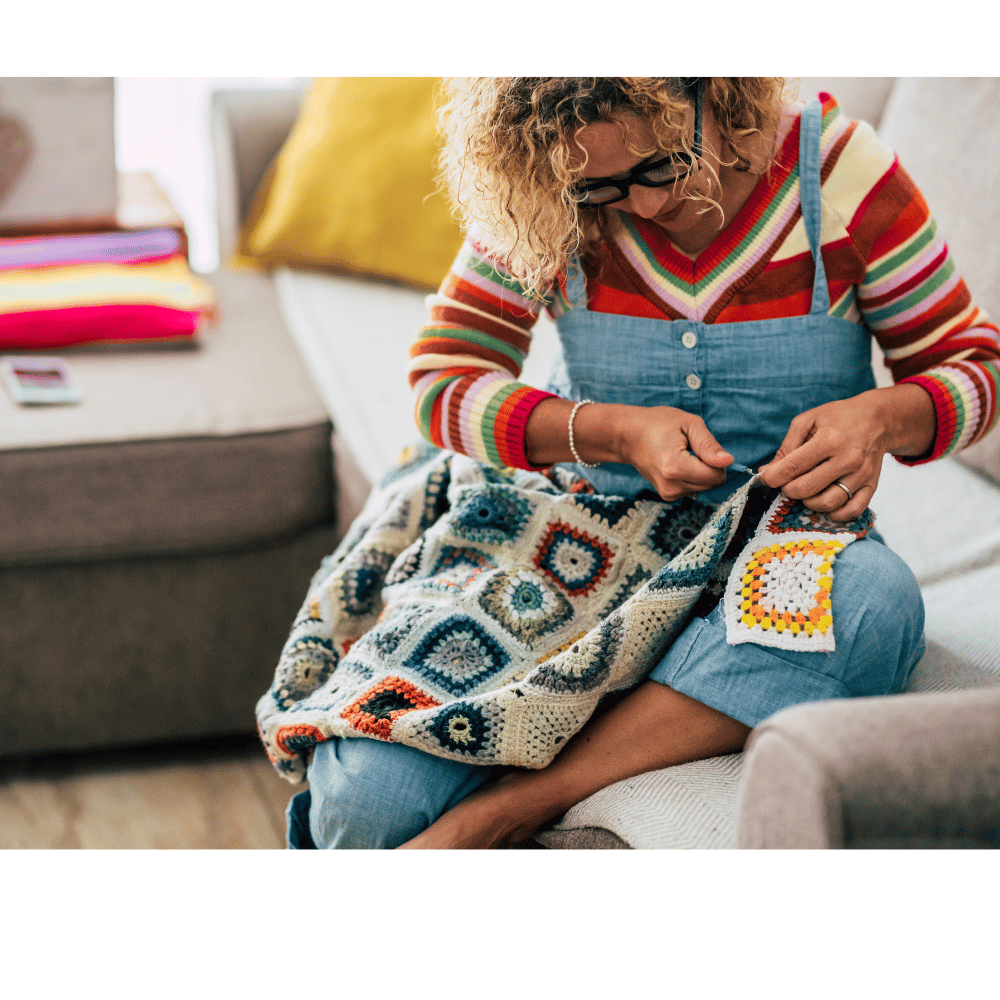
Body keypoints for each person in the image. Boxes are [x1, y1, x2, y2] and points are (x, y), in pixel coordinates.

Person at [258, 77, 1000, 850]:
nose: (643, 206)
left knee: (872, 606)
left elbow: (976, 368)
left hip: (785, 547)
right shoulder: (546, 183)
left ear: (716, 92)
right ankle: (662, 689)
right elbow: (444, 379)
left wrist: (880, 418)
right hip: (572, 547)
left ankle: (517, 803)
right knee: (364, 805)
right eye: (600, 187)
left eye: (664, 165)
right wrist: (613, 434)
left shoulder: (835, 171)